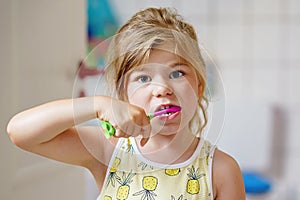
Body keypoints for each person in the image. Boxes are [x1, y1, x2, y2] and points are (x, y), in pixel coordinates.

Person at [7, 7, 245, 200]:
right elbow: (20, 132)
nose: (162, 89)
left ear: (199, 87)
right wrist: (99, 105)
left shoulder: (221, 170)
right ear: (123, 96)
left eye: (177, 73)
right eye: (143, 78)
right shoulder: (109, 149)